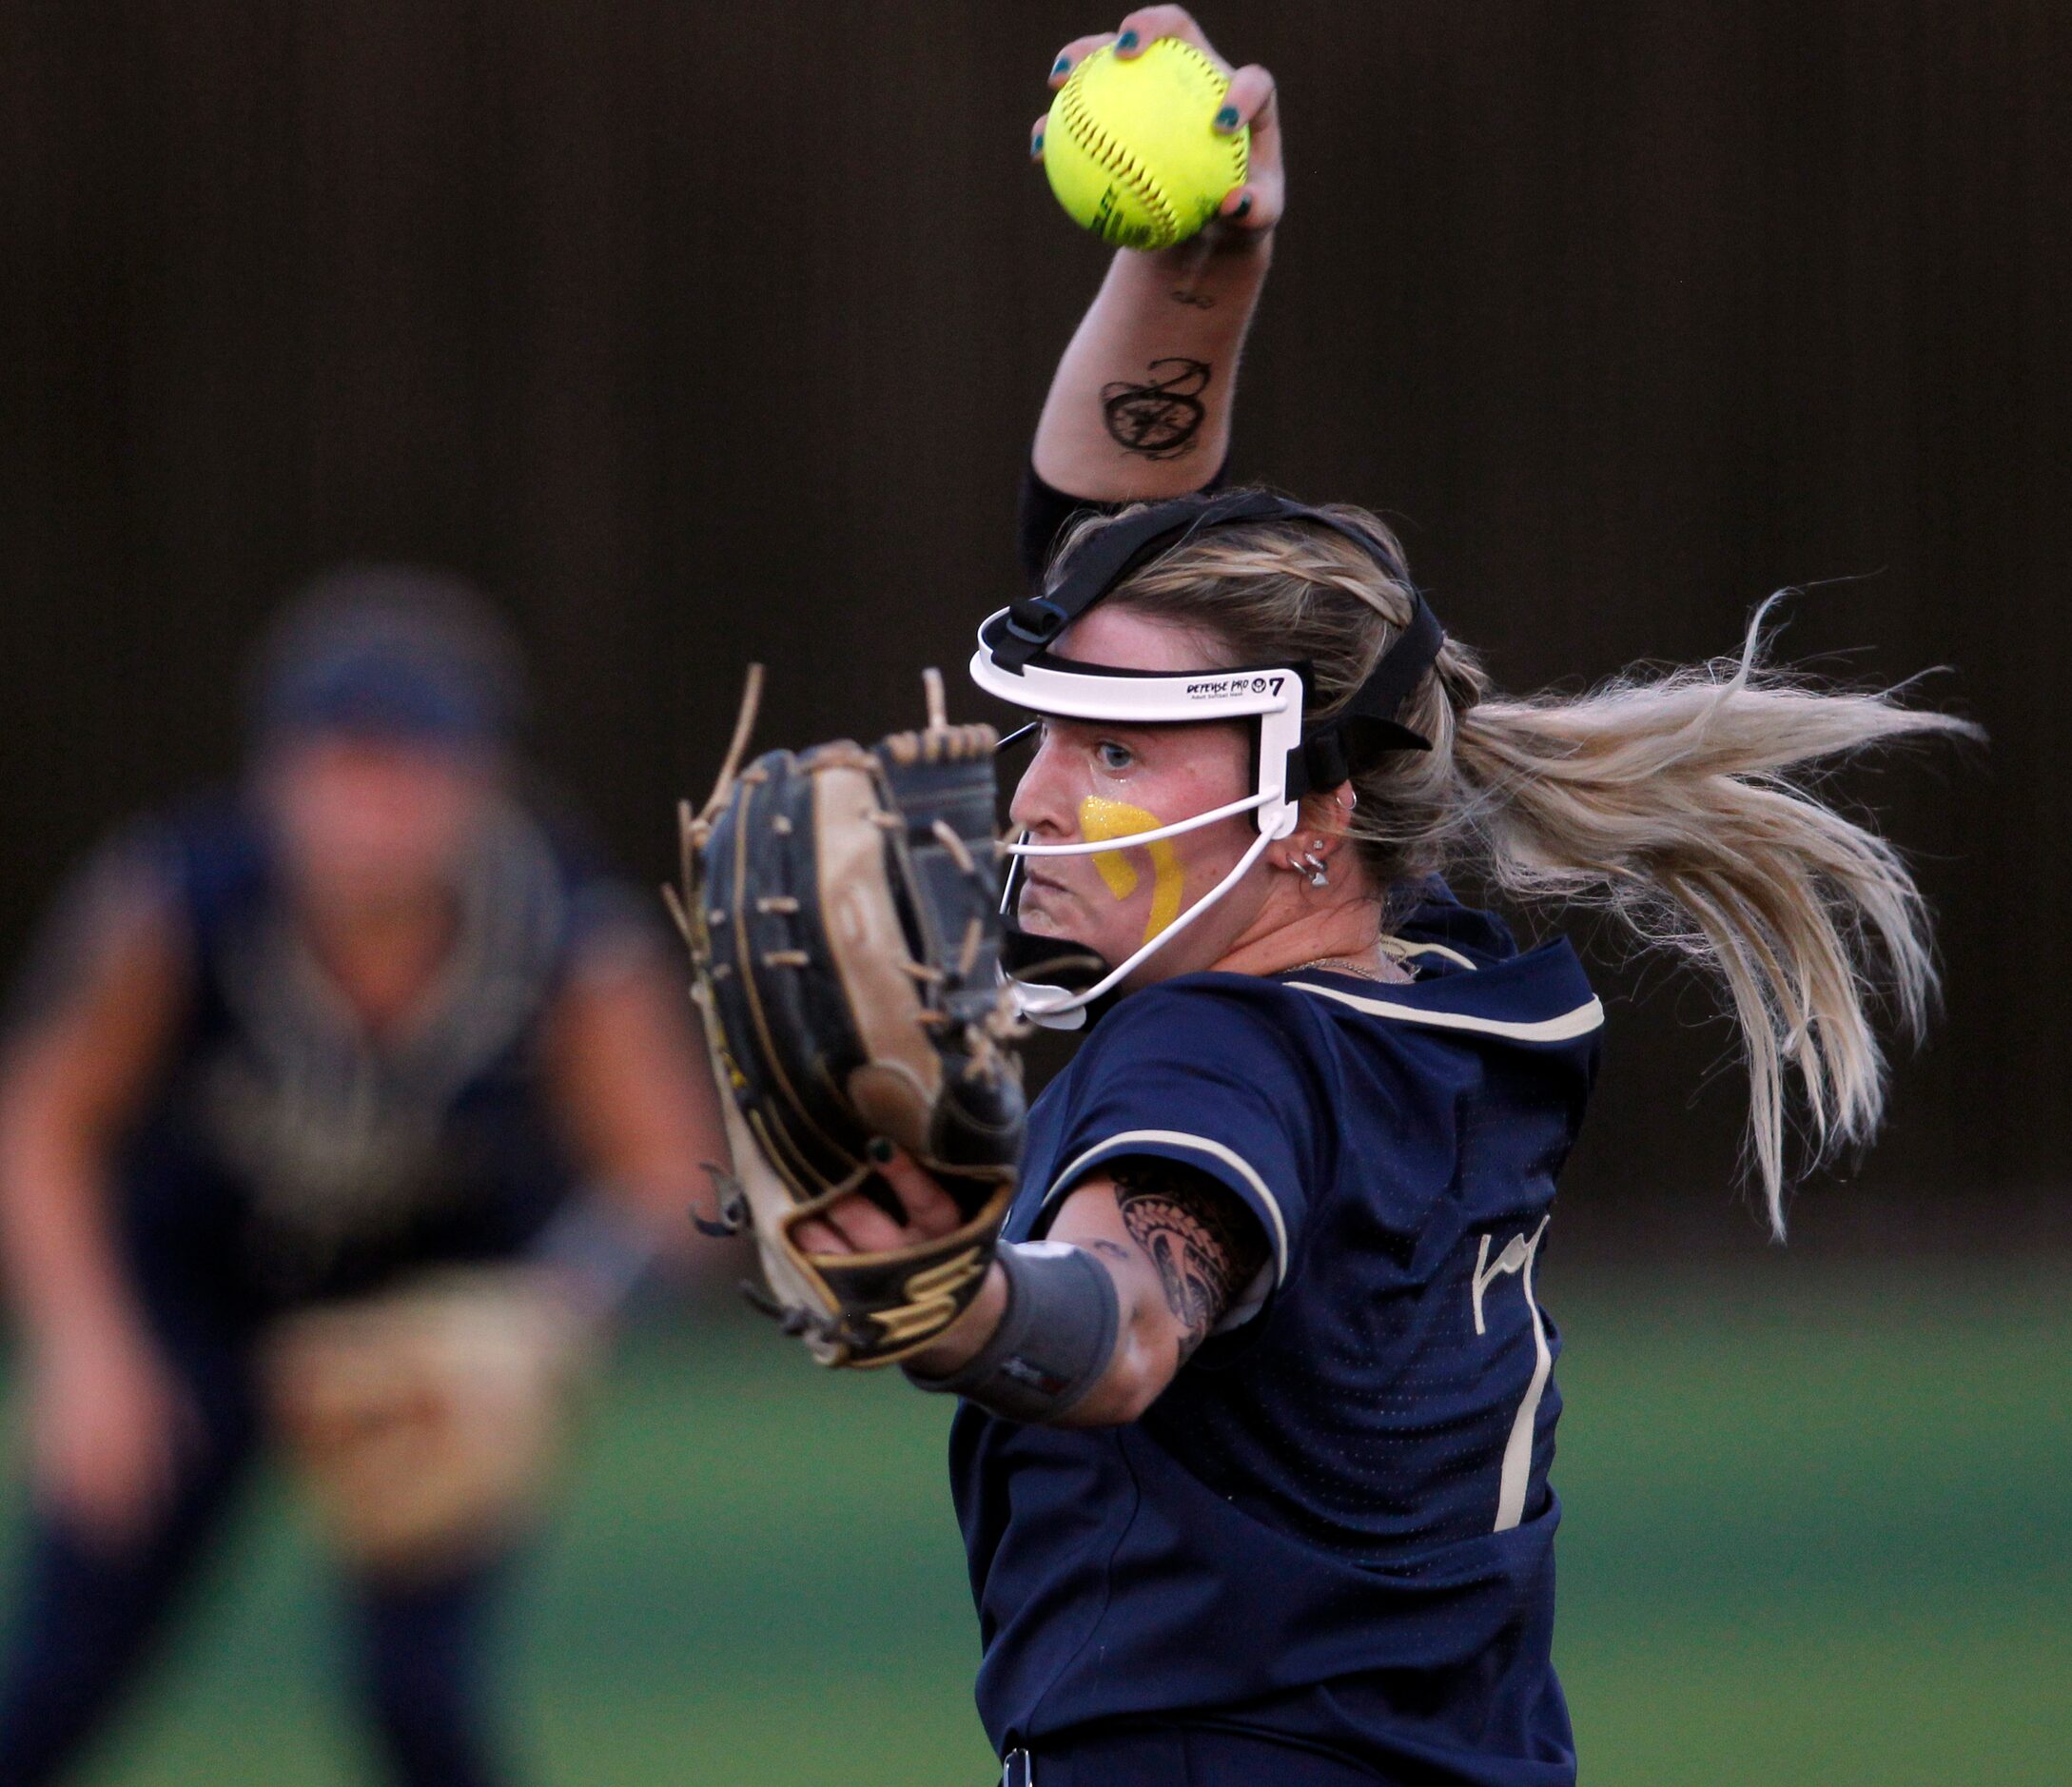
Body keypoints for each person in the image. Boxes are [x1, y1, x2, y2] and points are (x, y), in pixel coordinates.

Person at [794, 11, 1977, 1784]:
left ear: (1306, 812)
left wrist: (950, 1296)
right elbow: (1123, 577)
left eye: (1113, 758)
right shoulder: (1464, 995)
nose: (1035, 791)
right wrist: (1195, 270)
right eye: (1046, 735)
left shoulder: (1216, 1056)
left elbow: (1121, 1327)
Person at [0, 567, 725, 1786]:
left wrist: (550, 1318)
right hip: (194, 1297)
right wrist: (89, 1348)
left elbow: (678, 1177)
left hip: (435, 1322)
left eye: (412, 768)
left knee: (420, 1701)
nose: (374, 808)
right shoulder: (182, 901)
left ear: (483, 780)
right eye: (342, 764)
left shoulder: (560, 926)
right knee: (59, 1687)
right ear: (274, 775)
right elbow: (43, 1118)